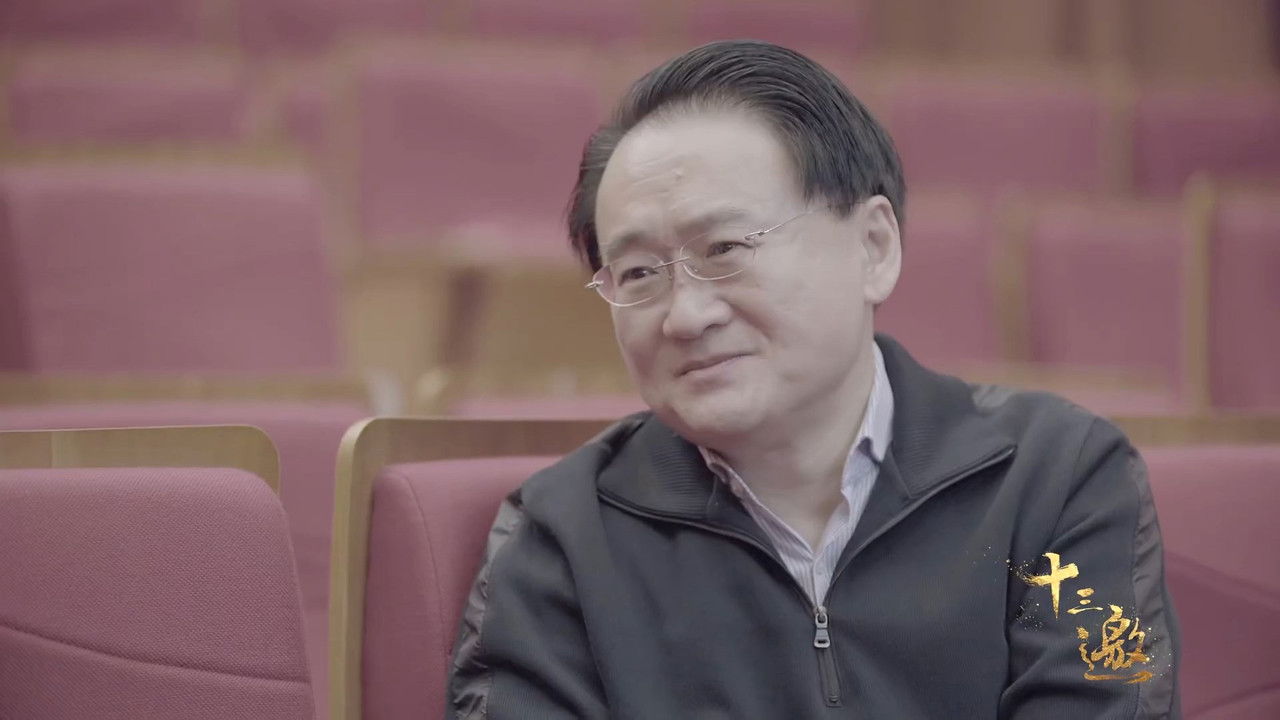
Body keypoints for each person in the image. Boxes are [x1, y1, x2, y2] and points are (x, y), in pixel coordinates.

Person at [449, 40, 1180, 719]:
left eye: (725, 247)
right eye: (639, 273)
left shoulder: (1055, 480)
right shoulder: (563, 538)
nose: (686, 315)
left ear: (873, 247)